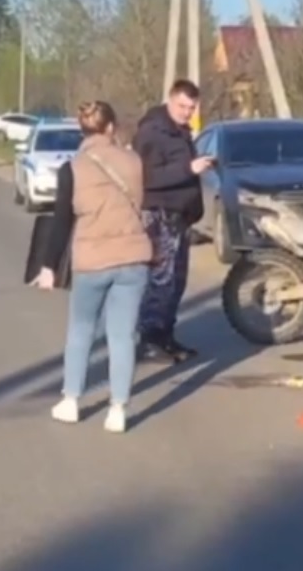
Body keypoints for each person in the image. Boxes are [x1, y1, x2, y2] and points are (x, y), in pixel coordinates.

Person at [31, 100, 152, 434]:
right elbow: (142, 202)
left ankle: (71, 401)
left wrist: (48, 266)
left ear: (82, 130)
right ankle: (118, 409)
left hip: (92, 261)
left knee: (81, 330)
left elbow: (61, 222)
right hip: (133, 257)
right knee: (123, 335)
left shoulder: (72, 169)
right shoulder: (133, 162)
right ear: (111, 127)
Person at [132, 79, 214, 364]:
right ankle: (150, 338)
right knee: (161, 279)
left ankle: (166, 336)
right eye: (182, 106)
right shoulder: (152, 132)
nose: (187, 113)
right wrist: (188, 168)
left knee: (176, 282)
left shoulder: (181, 132)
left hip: (179, 216)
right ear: (170, 100)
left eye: (191, 108)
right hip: (159, 214)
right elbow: (147, 178)